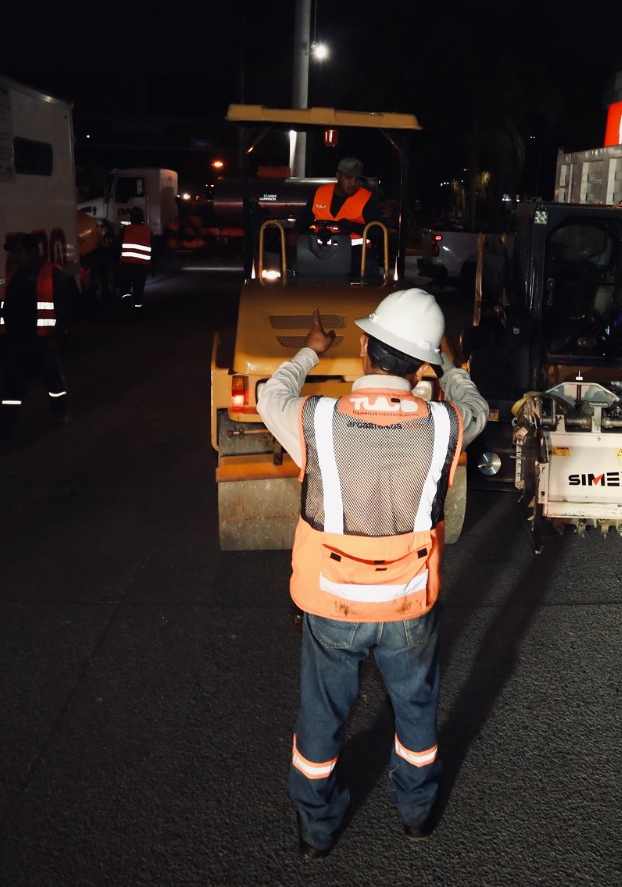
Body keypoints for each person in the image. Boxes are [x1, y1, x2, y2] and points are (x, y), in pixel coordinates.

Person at [256, 288, 487, 859]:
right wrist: (452, 367)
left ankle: (318, 831)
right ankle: (416, 816)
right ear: (424, 362)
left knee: (321, 718)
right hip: (409, 606)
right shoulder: (447, 426)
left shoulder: (316, 420)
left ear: (364, 347)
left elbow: (270, 396)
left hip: (331, 606)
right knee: (416, 713)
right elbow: (476, 406)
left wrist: (310, 352)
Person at [0, 232, 75, 439]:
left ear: (34, 252)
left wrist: (56, 338)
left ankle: (60, 411)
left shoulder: (52, 274)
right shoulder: (16, 274)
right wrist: (4, 336)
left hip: (44, 340)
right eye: (14, 253)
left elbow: (64, 308)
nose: (15, 257)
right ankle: (4, 425)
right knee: (12, 383)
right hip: (18, 340)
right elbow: (8, 308)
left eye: (19, 252)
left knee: (52, 380)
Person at [310, 156, 383, 276]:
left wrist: (352, 226)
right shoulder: (320, 192)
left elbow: (378, 232)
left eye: (357, 179)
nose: (354, 183)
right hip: (320, 251)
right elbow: (303, 221)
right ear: (338, 176)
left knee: (369, 269)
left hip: (356, 255)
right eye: (349, 178)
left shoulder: (367, 198)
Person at [118, 206, 153, 308]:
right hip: (142, 267)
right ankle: (137, 311)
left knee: (125, 287)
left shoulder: (126, 230)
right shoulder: (148, 231)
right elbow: (154, 248)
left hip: (127, 265)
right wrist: (155, 265)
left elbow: (116, 246)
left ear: (131, 218)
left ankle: (126, 303)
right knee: (139, 289)